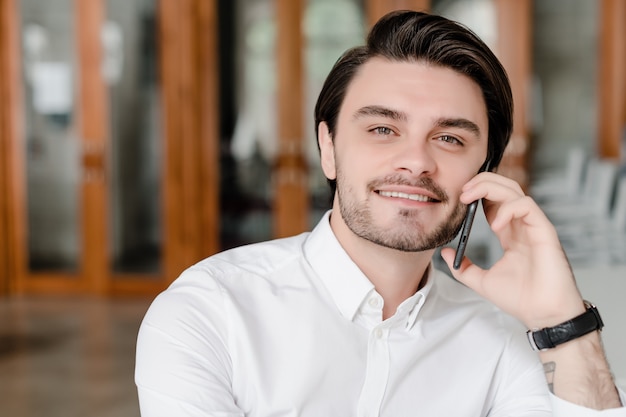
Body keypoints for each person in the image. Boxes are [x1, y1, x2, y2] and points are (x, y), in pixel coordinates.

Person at [135, 10, 625, 416]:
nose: (416, 160)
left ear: (484, 174)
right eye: (383, 130)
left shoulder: (505, 338)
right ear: (328, 148)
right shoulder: (210, 313)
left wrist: (564, 320)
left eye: (450, 138)